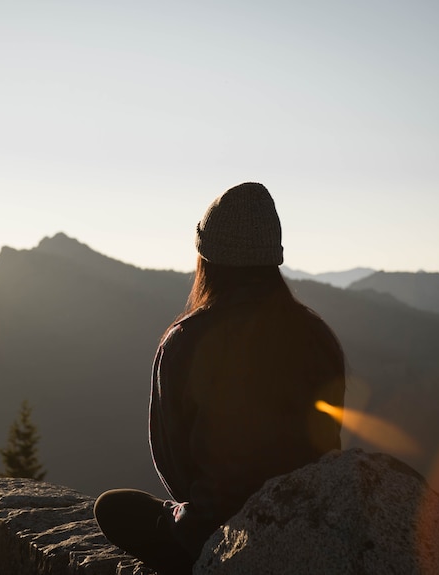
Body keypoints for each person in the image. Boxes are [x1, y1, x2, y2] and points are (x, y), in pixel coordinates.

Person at [93, 182, 345, 574]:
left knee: (113, 507)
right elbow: (328, 444)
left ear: (207, 258)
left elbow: (173, 460)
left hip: (217, 533)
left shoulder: (186, 341)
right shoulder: (317, 337)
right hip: (306, 522)